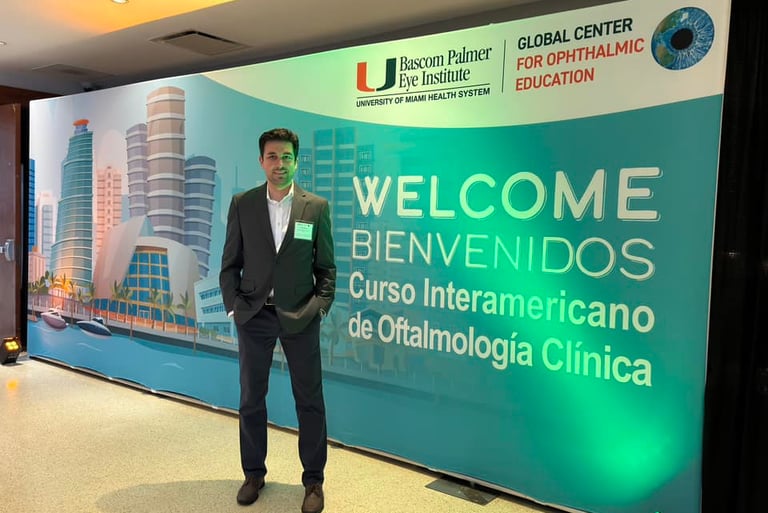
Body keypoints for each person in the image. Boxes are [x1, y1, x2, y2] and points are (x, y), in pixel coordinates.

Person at [220, 128, 336, 513]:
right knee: (251, 398)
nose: (280, 164)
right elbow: (229, 264)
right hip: (254, 315)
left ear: (296, 161)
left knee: (310, 400)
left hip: (301, 315)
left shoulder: (315, 207)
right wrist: (234, 308)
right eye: (272, 156)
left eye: (287, 157)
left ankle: (314, 481)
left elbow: (326, 269)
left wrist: (318, 308)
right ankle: (253, 474)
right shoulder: (243, 204)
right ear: (261, 161)